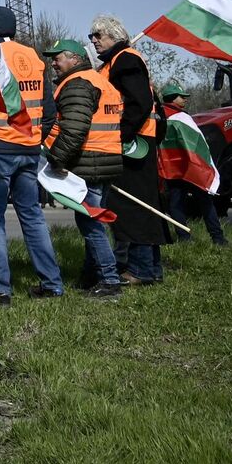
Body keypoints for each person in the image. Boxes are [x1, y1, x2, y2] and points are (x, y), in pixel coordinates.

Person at [0, 7, 65, 304]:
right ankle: (52, 284)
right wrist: (34, 139)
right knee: (32, 215)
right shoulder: (33, 59)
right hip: (28, 149)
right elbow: (49, 112)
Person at [89, 15, 170, 284]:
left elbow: (140, 102)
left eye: (98, 35)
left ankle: (140, 269)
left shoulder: (125, 59)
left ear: (115, 35)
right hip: (136, 141)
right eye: (92, 36)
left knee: (134, 206)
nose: (93, 40)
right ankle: (147, 267)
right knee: (139, 204)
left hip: (135, 144)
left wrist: (120, 136)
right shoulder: (117, 61)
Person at [41, 41, 126, 296]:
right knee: (92, 219)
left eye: (58, 58)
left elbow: (75, 130)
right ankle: (91, 277)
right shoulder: (99, 81)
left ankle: (110, 280)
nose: (53, 63)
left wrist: (56, 160)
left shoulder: (77, 84)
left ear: (75, 59)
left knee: (90, 224)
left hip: (90, 162)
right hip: (106, 159)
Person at [158, 85, 227, 245]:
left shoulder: (159, 116)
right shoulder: (182, 117)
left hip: (172, 170)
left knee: (175, 205)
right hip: (191, 168)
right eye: (182, 96)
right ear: (173, 98)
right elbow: (197, 143)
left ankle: (184, 238)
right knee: (205, 201)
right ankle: (218, 238)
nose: (185, 99)